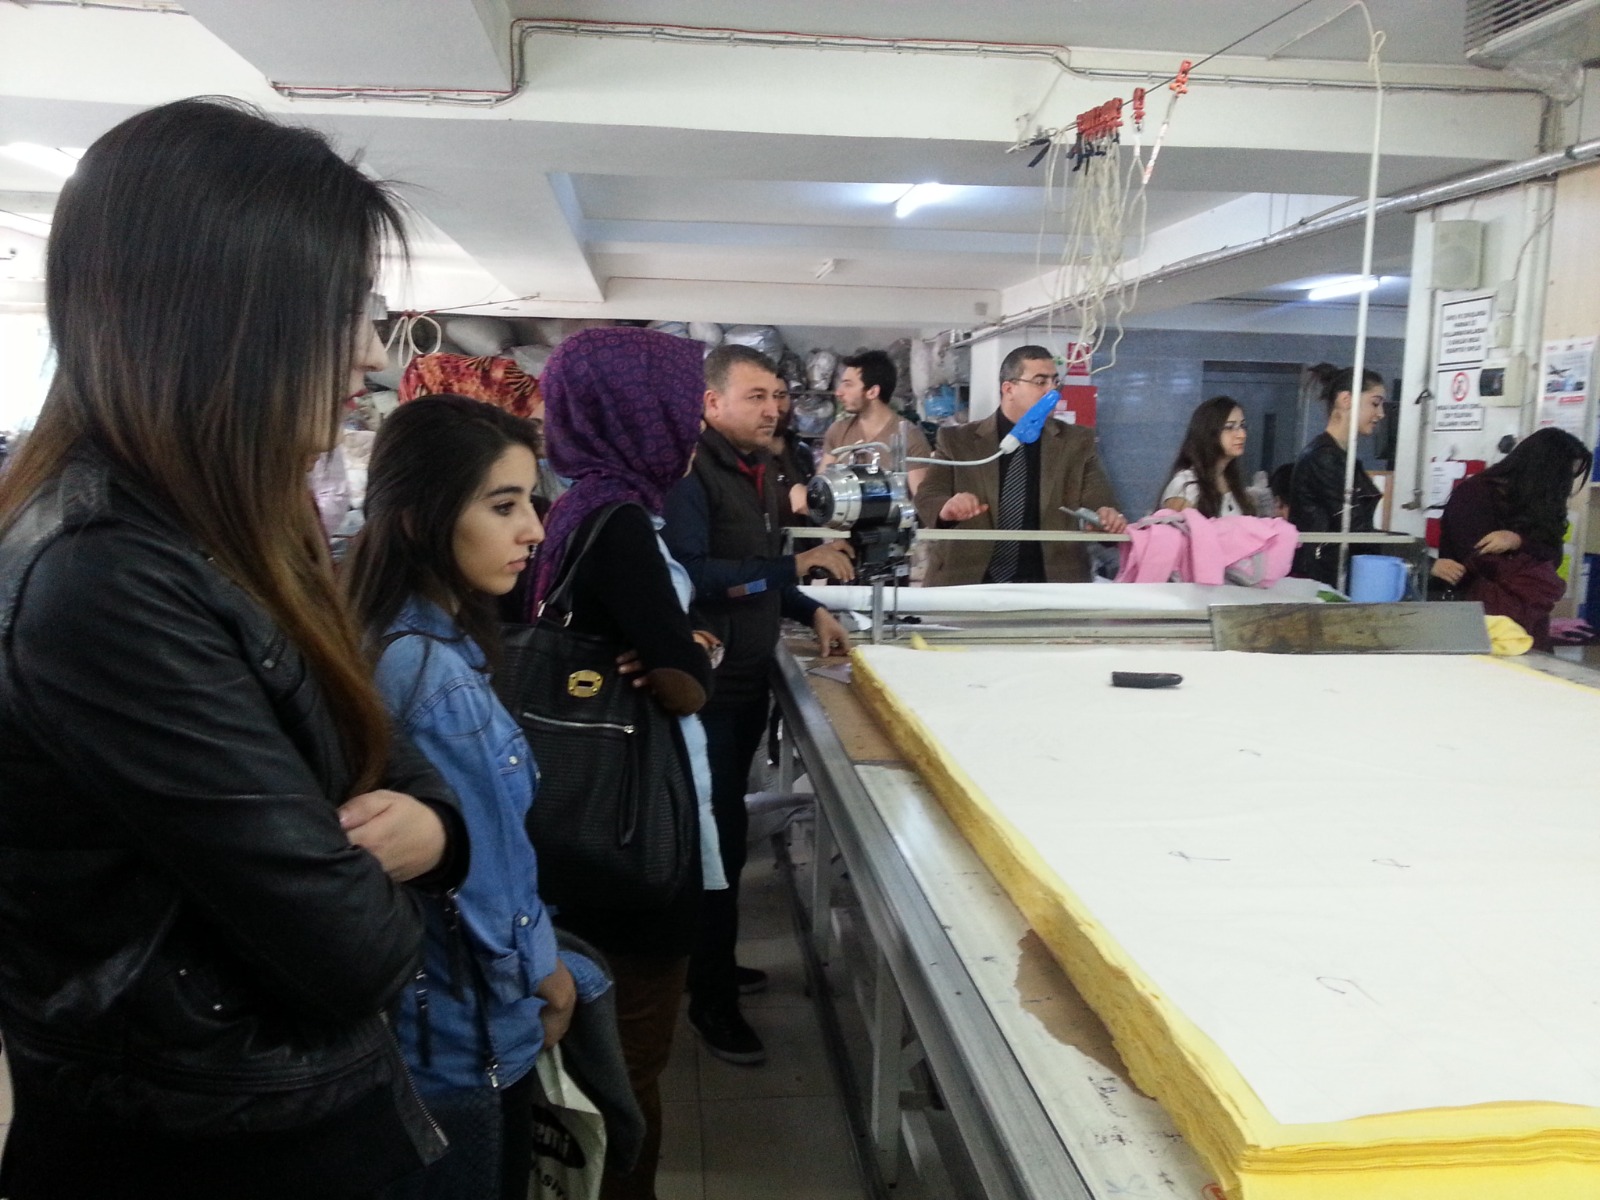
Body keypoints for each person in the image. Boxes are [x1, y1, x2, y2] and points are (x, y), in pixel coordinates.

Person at [0, 98, 467, 1199]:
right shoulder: (105, 577)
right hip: (203, 1143)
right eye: (343, 311)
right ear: (221, 313)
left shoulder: (239, 523)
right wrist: (400, 847)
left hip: (279, 1113)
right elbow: (352, 948)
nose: (369, 353)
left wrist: (438, 831)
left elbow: (383, 755)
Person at [342, 396, 580, 1200]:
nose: (534, 530)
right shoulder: (427, 673)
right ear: (420, 519)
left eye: (531, 503)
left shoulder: (403, 638)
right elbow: (483, 874)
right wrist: (545, 969)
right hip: (459, 1035)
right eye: (502, 506)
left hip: (428, 1021)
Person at [529, 327, 722, 1200]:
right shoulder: (621, 524)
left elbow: (662, 641)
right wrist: (695, 659)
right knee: (631, 1063)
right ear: (637, 412)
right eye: (680, 407)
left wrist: (684, 644)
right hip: (635, 829)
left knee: (596, 1060)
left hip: (577, 816)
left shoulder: (575, 507)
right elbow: (679, 682)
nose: (691, 426)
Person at [663, 344, 854, 1066]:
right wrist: (792, 567)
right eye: (756, 396)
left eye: (778, 395)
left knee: (730, 833)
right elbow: (695, 575)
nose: (774, 408)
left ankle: (710, 962)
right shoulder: (691, 475)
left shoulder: (763, 470)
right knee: (714, 843)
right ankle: (710, 1000)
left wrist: (809, 608)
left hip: (746, 682)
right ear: (711, 403)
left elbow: (762, 569)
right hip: (708, 689)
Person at [915, 344, 1127, 586]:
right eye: (1040, 382)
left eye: (1055, 382)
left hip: (1051, 583)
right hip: (968, 579)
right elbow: (928, 496)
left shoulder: (1076, 442)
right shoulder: (958, 441)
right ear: (1009, 389)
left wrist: (1106, 517)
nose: (1052, 391)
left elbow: (1100, 501)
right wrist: (947, 508)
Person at [1431, 428, 1591, 649]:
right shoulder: (1474, 493)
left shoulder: (1543, 502)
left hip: (1525, 613)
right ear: (1543, 469)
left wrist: (1517, 541)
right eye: (1563, 476)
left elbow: (1554, 556)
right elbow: (1477, 559)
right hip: (1472, 612)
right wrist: (1529, 557)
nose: (1566, 485)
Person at [1288, 363, 1387, 586]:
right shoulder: (1324, 458)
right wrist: (1414, 557)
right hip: (1321, 577)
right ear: (1346, 399)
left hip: (1332, 573)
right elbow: (1355, 527)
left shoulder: (1340, 458)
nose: (1380, 414)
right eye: (1375, 403)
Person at [821, 349, 933, 493]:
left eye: (848, 385)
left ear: (873, 392)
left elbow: (922, 500)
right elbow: (822, 488)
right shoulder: (837, 431)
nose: (839, 392)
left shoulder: (910, 437)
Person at [1157, 396, 1257, 518]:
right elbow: (1173, 529)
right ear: (1208, 432)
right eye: (1229, 427)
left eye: (1242, 426)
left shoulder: (1232, 481)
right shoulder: (1185, 484)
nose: (1242, 435)